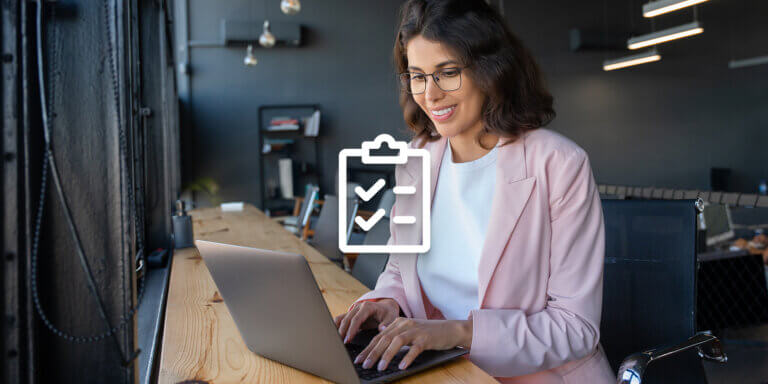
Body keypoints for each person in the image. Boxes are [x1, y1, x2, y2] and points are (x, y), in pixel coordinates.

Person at [334, 0, 615, 382]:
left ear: (491, 71)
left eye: (447, 73)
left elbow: (575, 326)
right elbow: (401, 268)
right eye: (417, 76)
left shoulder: (560, 164)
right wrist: (386, 300)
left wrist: (460, 333)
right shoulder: (418, 158)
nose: (430, 95)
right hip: (440, 369)